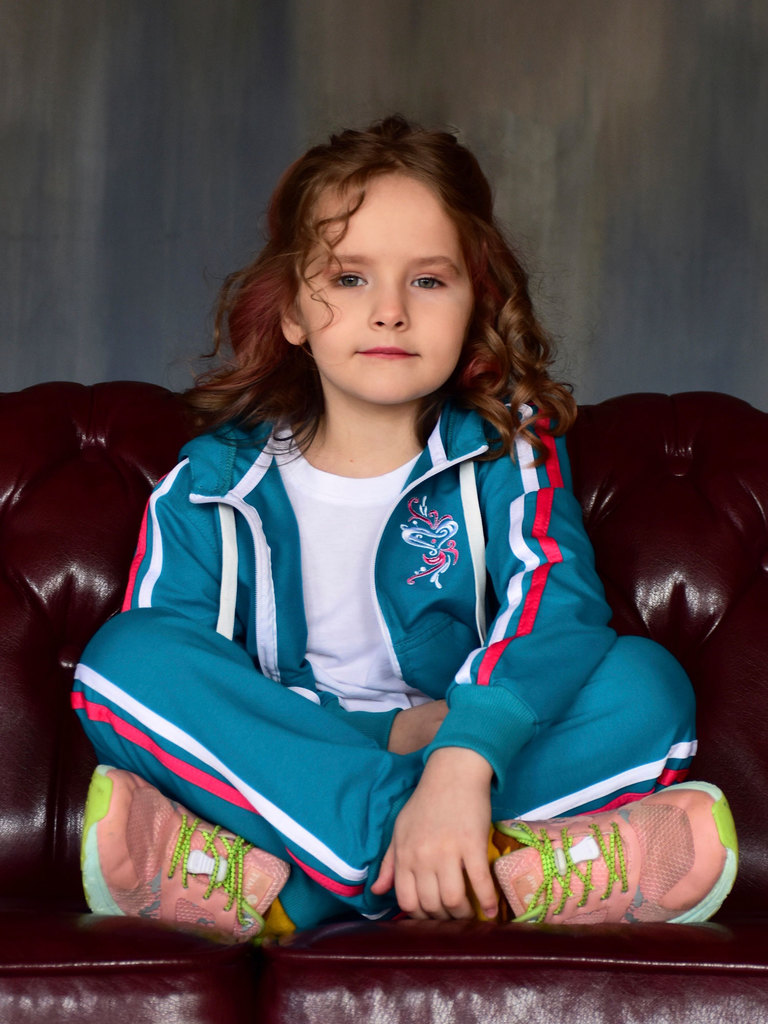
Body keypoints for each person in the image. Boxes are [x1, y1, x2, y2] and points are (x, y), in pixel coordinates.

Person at [71, 115, 737, 941]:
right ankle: (486, 869)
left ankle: (289, 897)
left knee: (646, 685)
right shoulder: (211, 486)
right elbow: (189, 684)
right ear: (292, 311)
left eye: (427, 280)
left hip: (467, 747)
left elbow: (555, 603)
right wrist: (387, 737)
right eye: (350, 278)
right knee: (123, 662)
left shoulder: (504, 447)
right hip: (296, 763)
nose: (389, 312)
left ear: (475, 304)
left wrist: (460, 761)